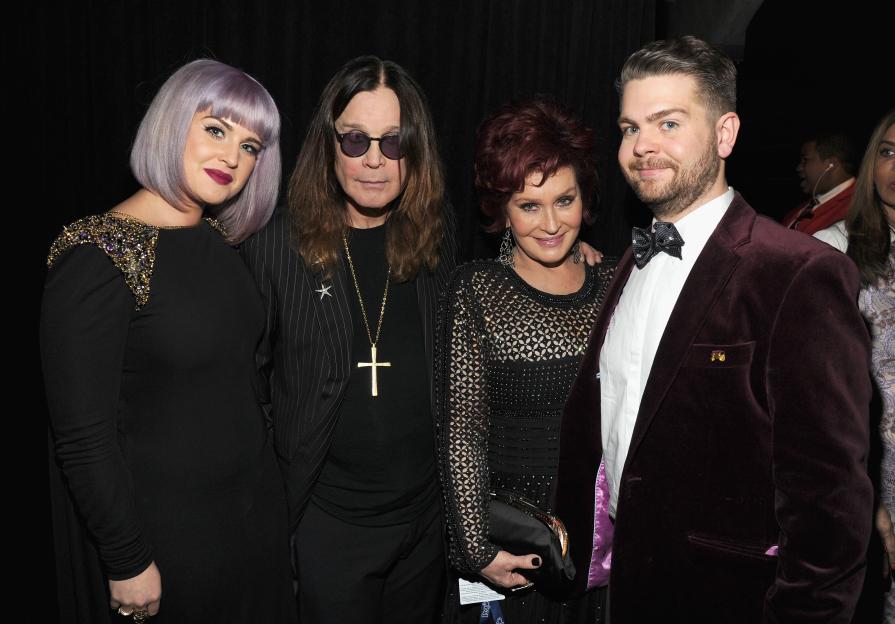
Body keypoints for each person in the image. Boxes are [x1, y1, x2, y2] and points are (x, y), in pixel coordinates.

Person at [554, 36, 873, 622]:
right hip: (622, 590)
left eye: (668, 123)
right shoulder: (628, 263)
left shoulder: (799, 274)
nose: (642, 146)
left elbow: (829, 506)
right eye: (629, 128)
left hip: (729, 599)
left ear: (725, 134)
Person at [41, 59, 296, 623]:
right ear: (171, 122)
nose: (233, 157)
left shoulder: (220, 243)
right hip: (167, 537)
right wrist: (127, 558)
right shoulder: (97, 255)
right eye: (216, 129)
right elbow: (81, 438)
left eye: (250, 146)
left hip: (252, 522)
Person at [240, 55, 455, 624]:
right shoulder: (275, 245)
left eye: (393, 141)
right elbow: (246, 385)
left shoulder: (437, 238)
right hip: (329, 527)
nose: (374, 161)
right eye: (356, 140)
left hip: (425, 523)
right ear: (329, 145)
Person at [437, 97, 614, 623]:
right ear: (502, 211)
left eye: (565, 200)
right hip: (515, 546)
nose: (552, 223)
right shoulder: (477, 291)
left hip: (602, 543)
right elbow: (462, 433)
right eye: (529, 206)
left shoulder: (615, 282)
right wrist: (476, 549)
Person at [815, 108, 895, 621]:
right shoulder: (833, 250)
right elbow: (816, 391)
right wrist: (866, 498)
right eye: (887, 152)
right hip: (868, 471)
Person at [782, 131, 857, 234]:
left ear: (831, 165)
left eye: (805, 160)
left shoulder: (858, 209)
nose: (799, 168)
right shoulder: (803, 208)